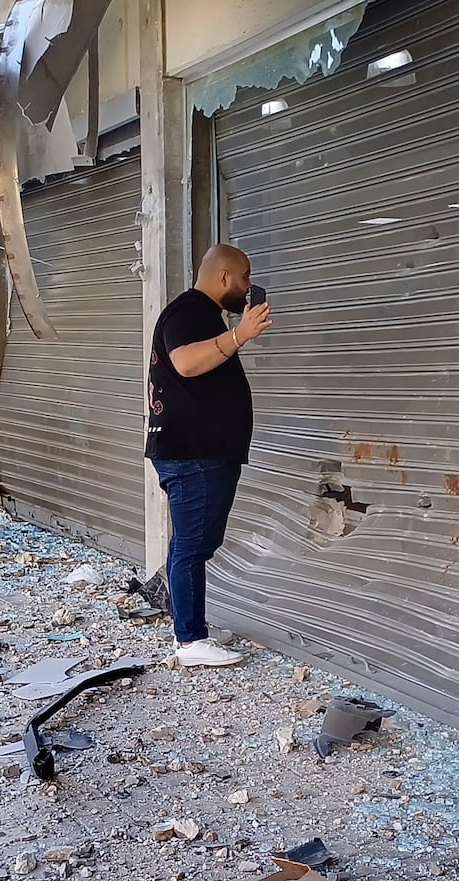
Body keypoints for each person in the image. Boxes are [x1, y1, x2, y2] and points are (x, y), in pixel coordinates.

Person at [144, 244, 272, 667]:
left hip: (197, 452)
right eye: (244, 277)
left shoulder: (198, 314)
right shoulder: (190, 312)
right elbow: (184, 362)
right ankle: (190, 640)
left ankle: (188, 628)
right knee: (193, 546)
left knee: (190, 543)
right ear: (223, 278)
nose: (247, 287)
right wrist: (240, 336)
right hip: (194, 454)